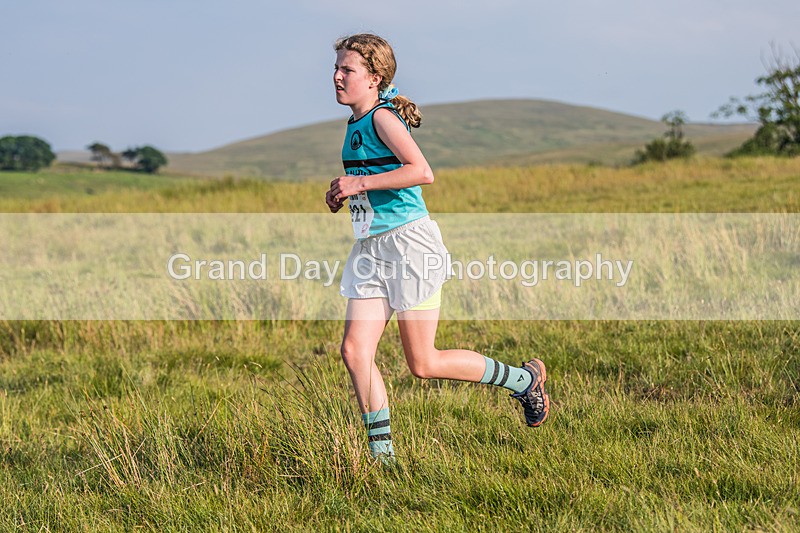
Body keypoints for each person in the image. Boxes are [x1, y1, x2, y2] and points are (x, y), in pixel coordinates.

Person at [325, 33, 549, 461]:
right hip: (373, 249)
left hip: (410, 246)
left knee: (423, 363)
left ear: (374, 78)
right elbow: (377, 181)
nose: (336, 77)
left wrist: (361, 182)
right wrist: (347, 195)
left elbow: (422, 171)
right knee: (355, 352)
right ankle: (383, 459)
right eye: (335, 68)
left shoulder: (382, 119)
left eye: (347, 70)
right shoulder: (355, 123)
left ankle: (523, 381)